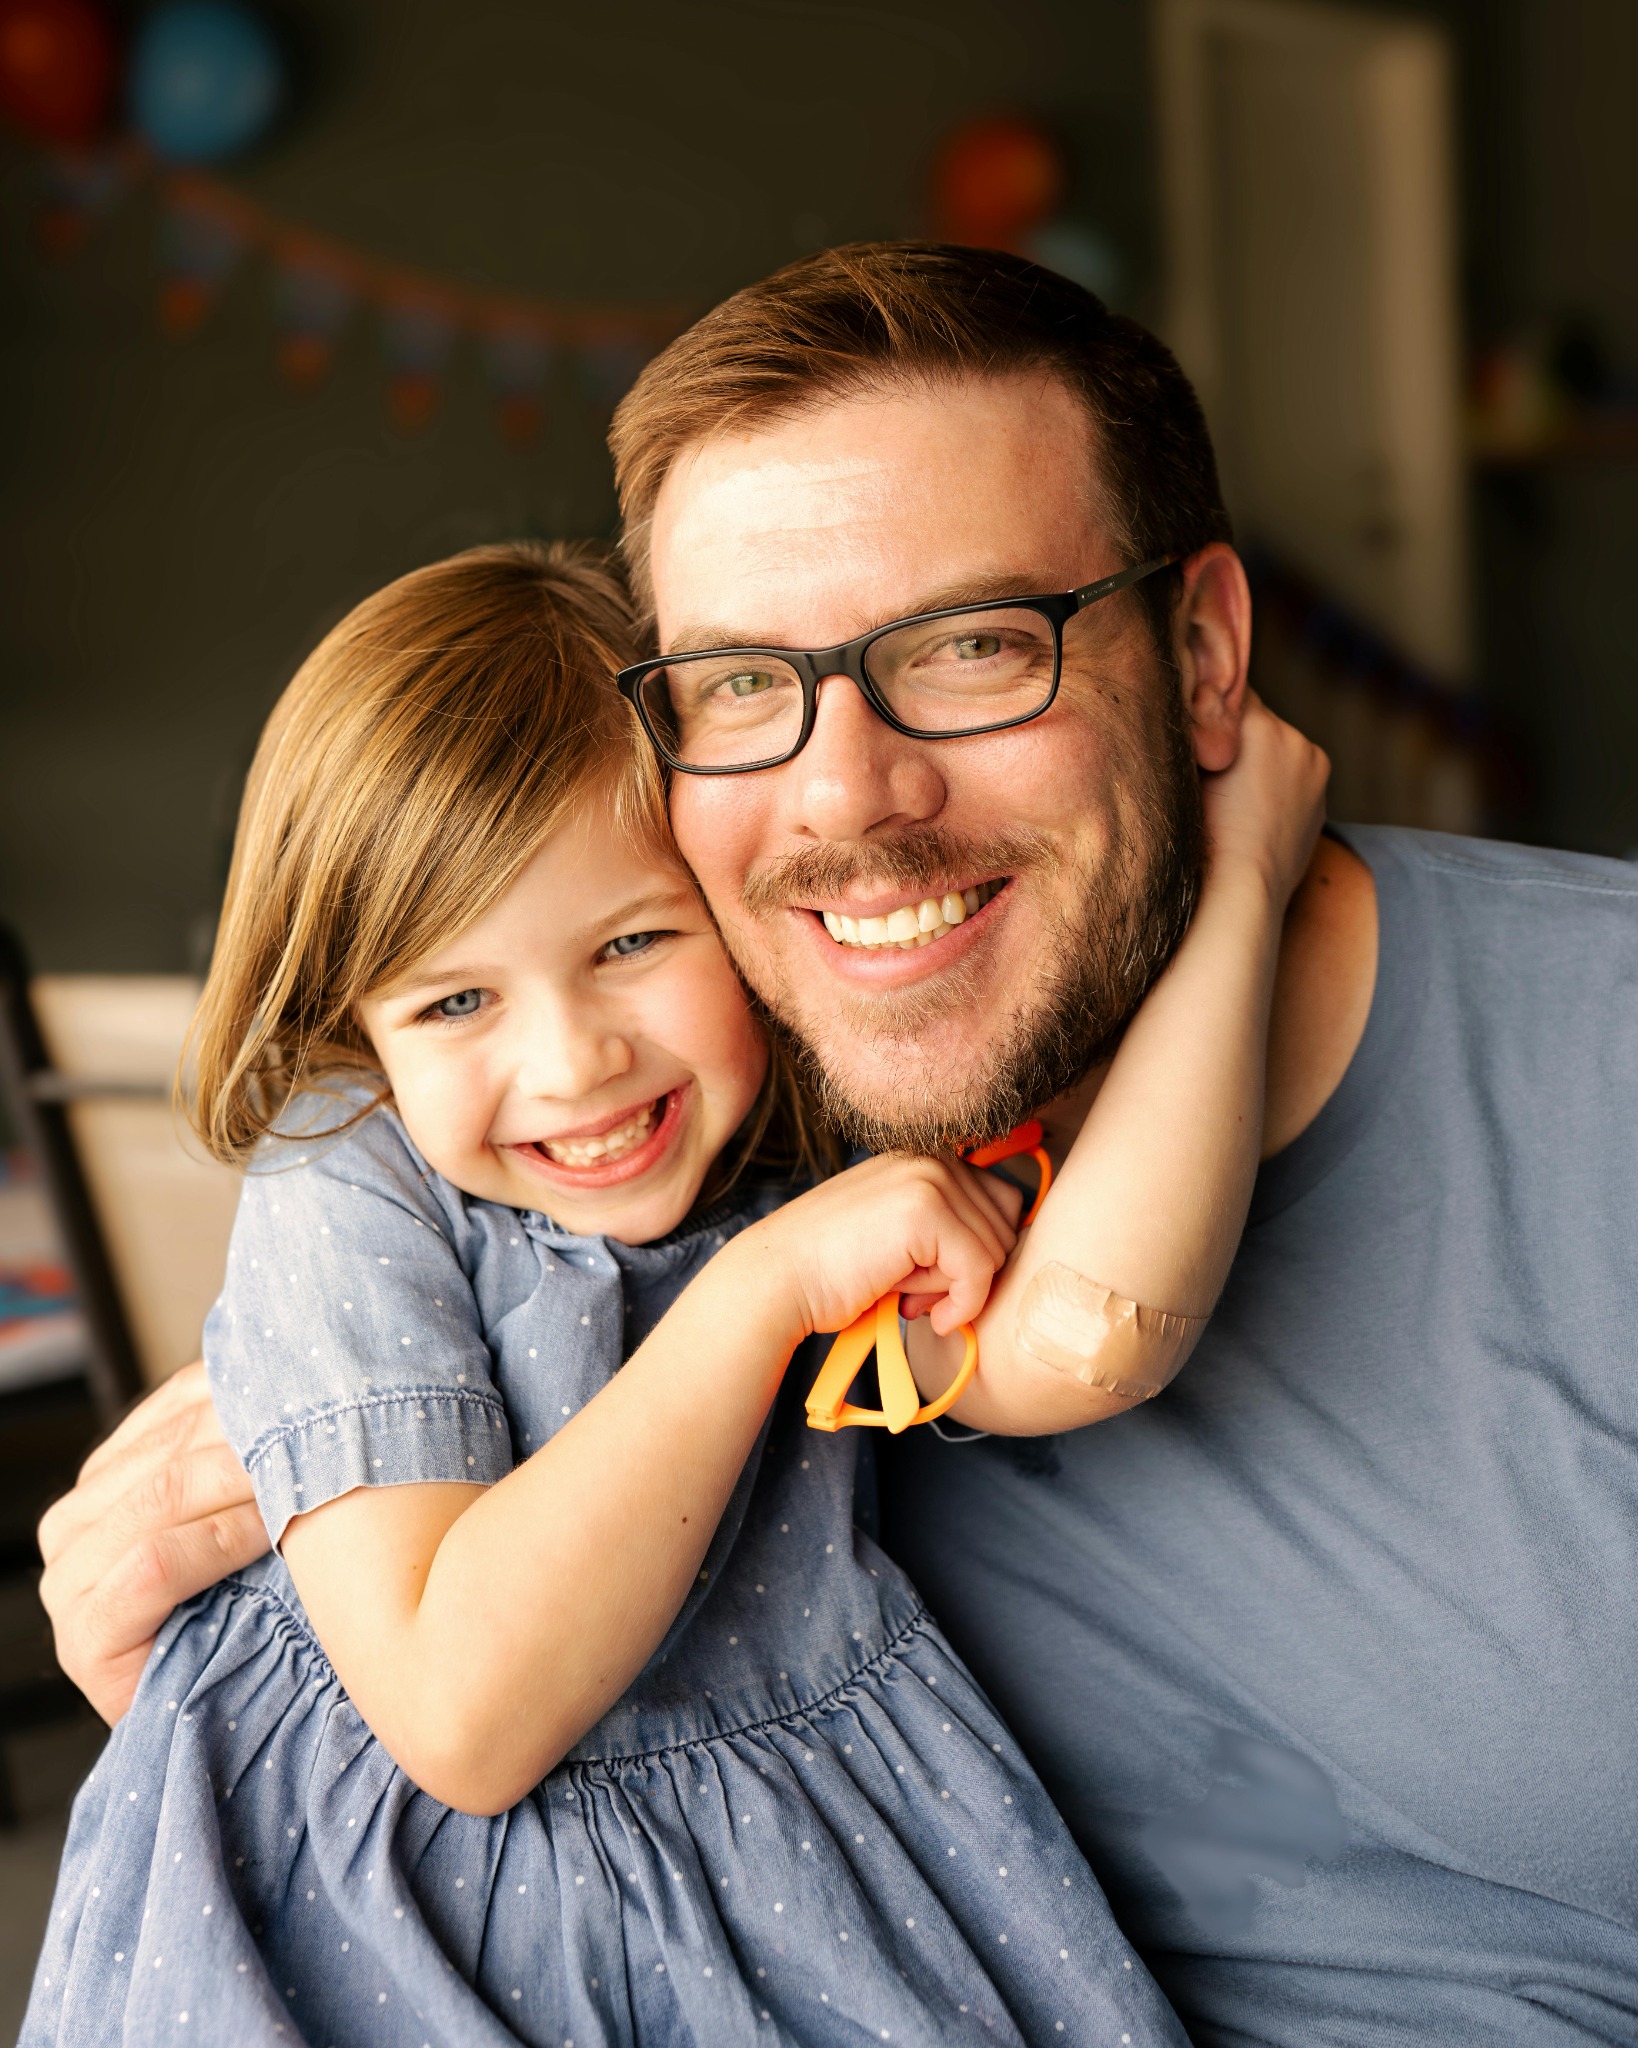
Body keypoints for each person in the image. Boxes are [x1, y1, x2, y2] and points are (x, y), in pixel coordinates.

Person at [41, 245, 1638, 2043]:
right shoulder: (628, 1164)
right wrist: (236, 1708)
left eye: (970, 648)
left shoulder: (1590, 1062)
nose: (846, 796)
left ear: (1201, 662)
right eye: (737, 684)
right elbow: (442, 1689)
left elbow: (1088, 1330)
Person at [25, 534, 1322, 2047]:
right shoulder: (353, 1175)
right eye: (455, 999)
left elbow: (1090, 1342)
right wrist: (760, 1295)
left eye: (635, 942)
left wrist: (1238, 894)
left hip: (787, 1884)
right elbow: (464, 1715)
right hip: (401, 1932)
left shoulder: (804, 1155)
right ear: (352, 1021)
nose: (574, 1063)